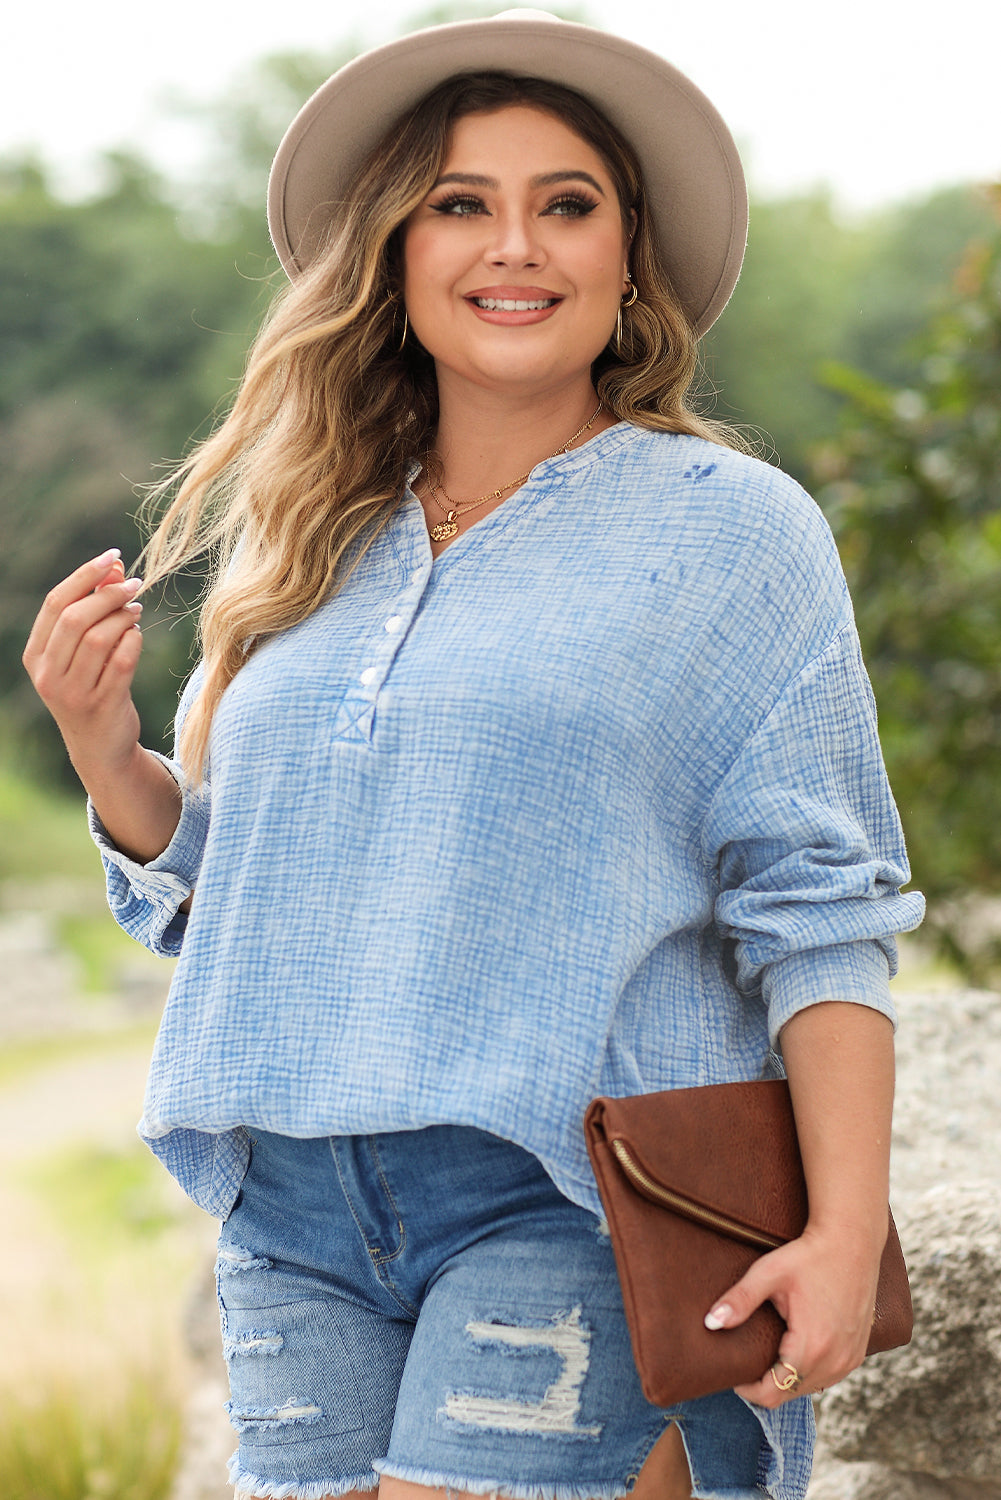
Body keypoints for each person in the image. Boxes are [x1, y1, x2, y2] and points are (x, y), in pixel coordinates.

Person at [22, 12, 924, 1500]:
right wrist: (104, 749)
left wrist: (838, 1232)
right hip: (293, 1207)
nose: (515, 245)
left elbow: (822, 914)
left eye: (564, 205)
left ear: (628, 260)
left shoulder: (731, 534)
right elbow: (250, 886)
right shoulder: (305, 538)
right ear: (392, 254)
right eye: (460, 204)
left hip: (564, 1185)